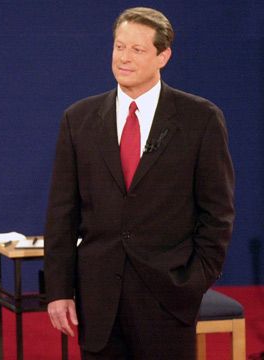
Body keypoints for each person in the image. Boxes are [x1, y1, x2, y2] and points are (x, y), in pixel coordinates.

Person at [43, 7, 234, 359]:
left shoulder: (200, 119)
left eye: (137, 50)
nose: (124, 58)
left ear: (164, 56)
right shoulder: (78, 119)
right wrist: (59, 290)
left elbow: (217, 213)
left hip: (168, 297)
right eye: (119, 47)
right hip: (99, 300)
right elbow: (61, 213)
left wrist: (193, 281)